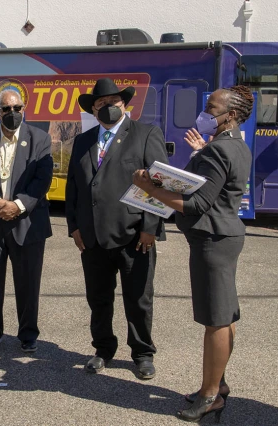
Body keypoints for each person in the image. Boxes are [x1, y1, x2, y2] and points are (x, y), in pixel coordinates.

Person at [132, 85, 254, 422]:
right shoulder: (235, 144)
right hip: (225, 236)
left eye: (212, 107)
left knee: (215, 320)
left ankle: (210, 394)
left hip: (212, 241)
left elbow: (197, 202)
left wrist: (150, 188)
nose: (205, 111)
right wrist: (203, 151)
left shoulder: (219, 151)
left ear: (229, 115)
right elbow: (215, 183)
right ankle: (219, 383)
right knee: (225, 315)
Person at [65, 78, 168, 379]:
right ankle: (103, 349)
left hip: (135, 235)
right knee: (98, 299)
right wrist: (74, 226)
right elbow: (74, 187)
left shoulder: (146, 134)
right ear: (93, 109)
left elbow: (158, 185)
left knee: (138, 298)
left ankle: (142, 352)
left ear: (124, 104)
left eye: (113, 102)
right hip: (92, 236)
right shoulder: (83, 141)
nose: (107, 107)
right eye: (101, 104)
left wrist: (151, 227)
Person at [0, 88, 53, 353]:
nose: (12, 113)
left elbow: (42, 179)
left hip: (27, 225)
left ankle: (28, 335)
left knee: (28, 284)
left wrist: (18, 205)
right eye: (6, 109)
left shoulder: (40, 139)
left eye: (17, 108)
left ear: (23, 109)